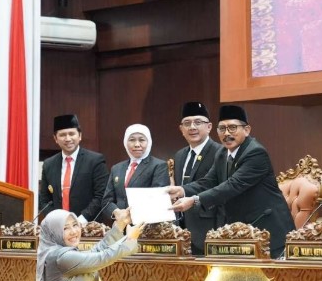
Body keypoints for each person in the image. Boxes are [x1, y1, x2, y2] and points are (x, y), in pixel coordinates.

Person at [168, 104, 295, 258]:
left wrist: (195, 200)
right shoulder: (222, 153)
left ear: (247, 130)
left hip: (267, 229)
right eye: (222, 129)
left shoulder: (256, 153)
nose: (227, 133)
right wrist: (182, 190)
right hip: (242, 231)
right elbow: (208, 181)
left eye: (232, 128)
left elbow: (232, 186)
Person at [171, 102, 224, 254]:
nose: (192, 127)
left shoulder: (220, 153)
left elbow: (222, 194)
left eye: (198, 122)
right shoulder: (180, 155)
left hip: (210, 230)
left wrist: (219, 233)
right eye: (187, 123)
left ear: (209, 126)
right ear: (181, 129)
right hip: (181, 231)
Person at [38, 114, 108, 223]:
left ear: (80, 136)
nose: (67, 139)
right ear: (55, 139)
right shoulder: (48, 164)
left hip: (88, 226)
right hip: (58, 228)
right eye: (62, 135)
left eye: (71, 134)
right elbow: (44, 200)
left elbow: (101, 195)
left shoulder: (95, 160)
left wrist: (80, 220)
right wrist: (57, 221)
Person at [100, 124, 170, 221]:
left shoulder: (159, 166)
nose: (137, 144)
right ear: (125, 142)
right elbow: (107, 200)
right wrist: (116, 212)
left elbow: (156, 199)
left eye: (141, 140)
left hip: (145, 227)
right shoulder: (116, 168)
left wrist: (130, 214)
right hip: (119, 225)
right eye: (132, 140)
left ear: (149, 142)